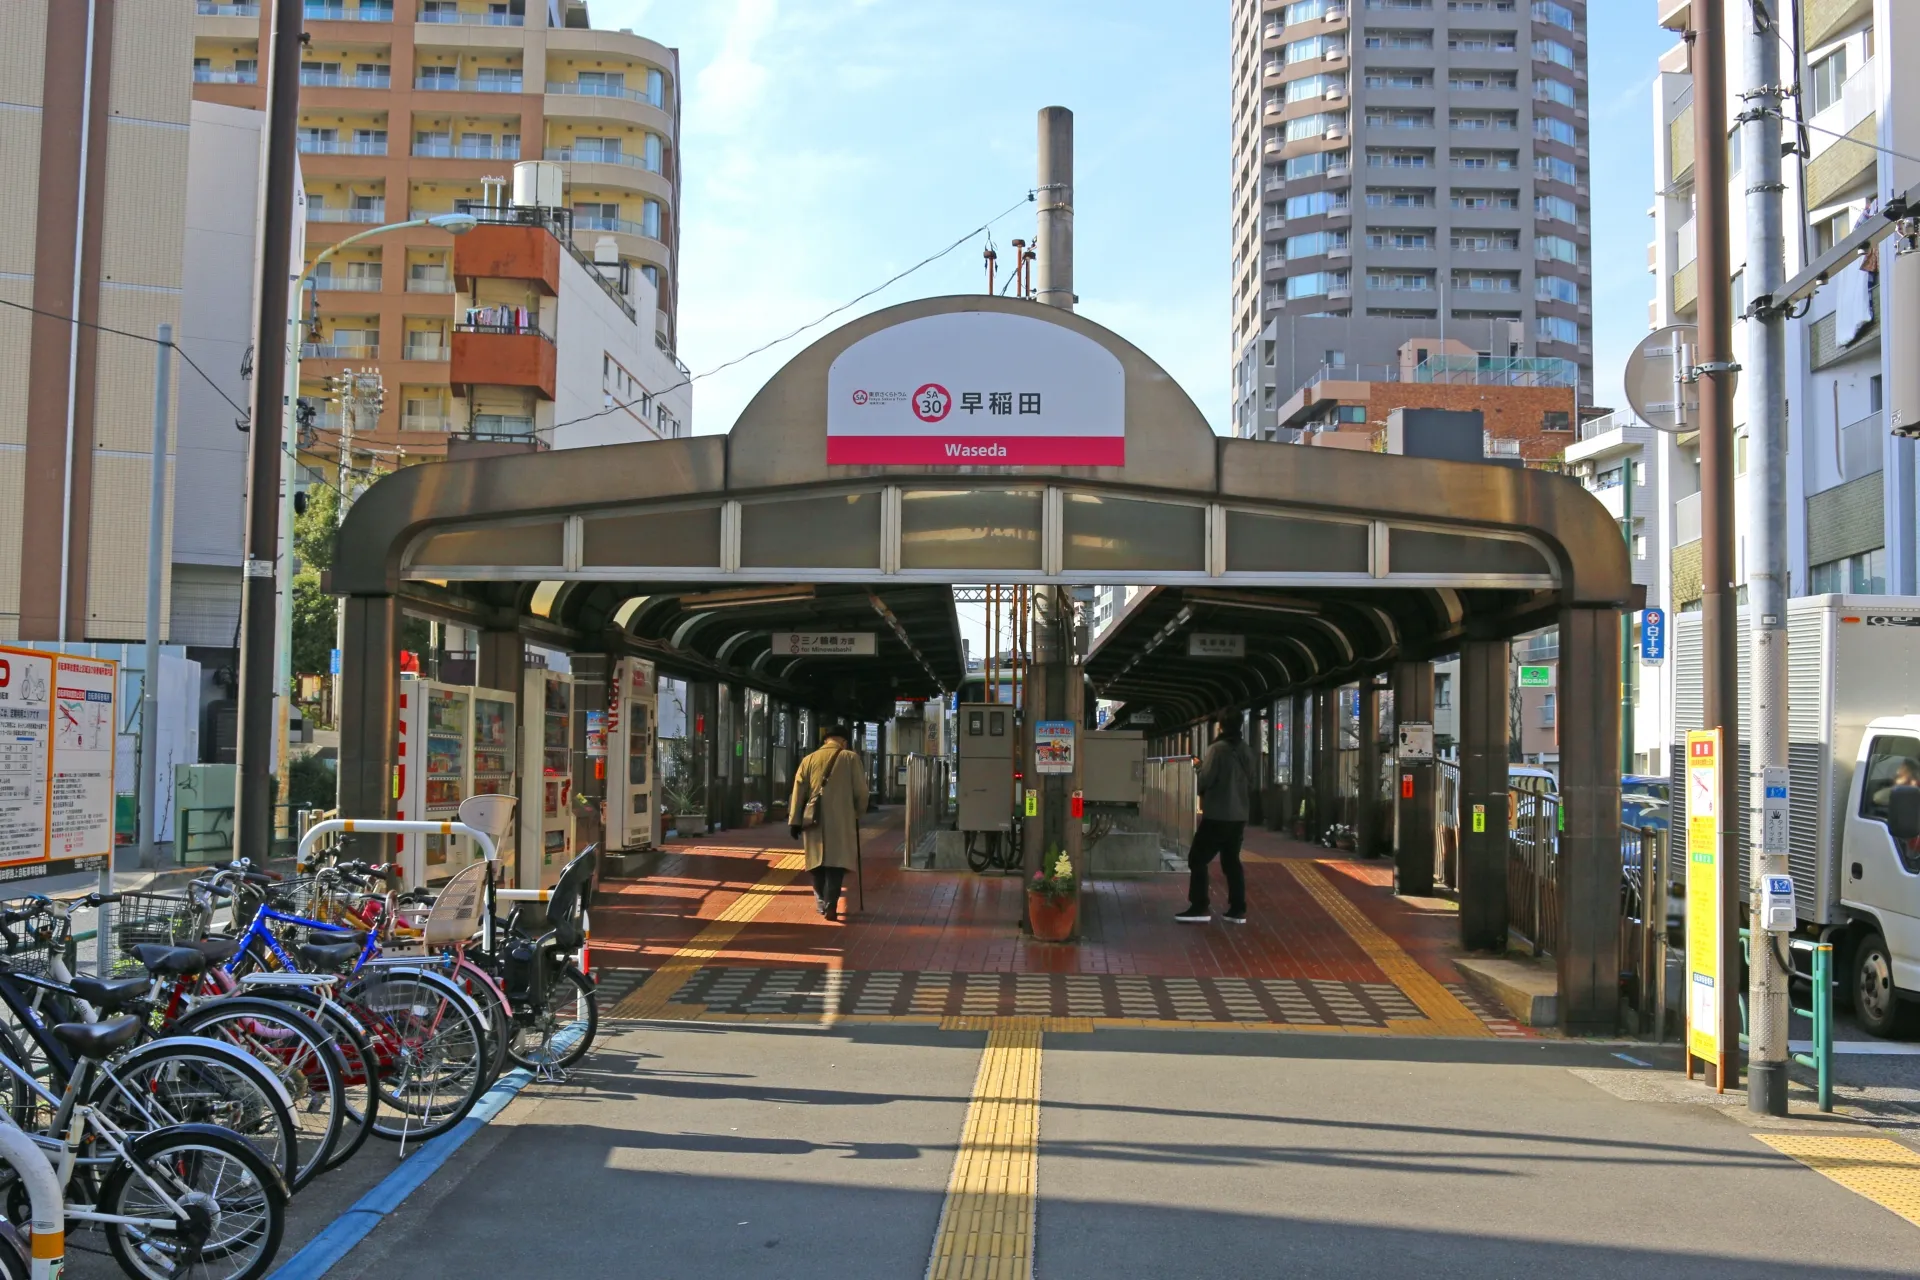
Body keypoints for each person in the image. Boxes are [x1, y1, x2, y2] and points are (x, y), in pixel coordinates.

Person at [1176, 719, 1256, 925]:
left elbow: (1205, 779)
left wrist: (1199, 769)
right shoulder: (1246, 750)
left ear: (1221, 727)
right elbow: (1252, 780)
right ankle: (1237, 909)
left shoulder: (1217, 749)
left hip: (1218, 814)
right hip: (1239, 815)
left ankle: (1199, 906)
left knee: (1197, 858)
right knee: (1231, 861)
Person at [789, 724, 869, 921]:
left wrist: (795, 821)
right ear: (843, 741)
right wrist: (857, 813)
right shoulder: (850, 758)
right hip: (841, 820)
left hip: (813, 820)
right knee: (836, 863)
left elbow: (798, 792)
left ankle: (821, 903)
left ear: (826, 740)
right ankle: (831, 903)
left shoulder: (809, 760)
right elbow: (861, 792)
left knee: (816, 863)